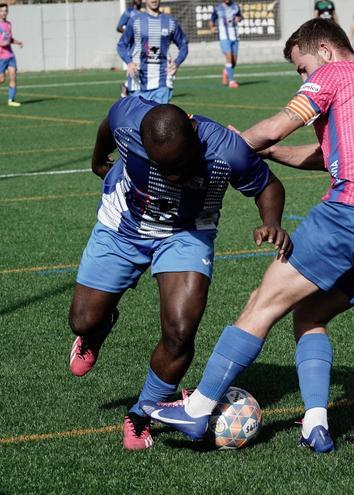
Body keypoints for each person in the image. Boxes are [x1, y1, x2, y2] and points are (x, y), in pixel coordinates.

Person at [144, 18, 354, 454]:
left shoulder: (333, 72)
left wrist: (230, 146)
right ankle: (315, 425)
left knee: (261, 303)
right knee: (308, 316)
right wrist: (269, 153)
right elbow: (330, 154)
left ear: (325, 50)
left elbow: (275, 126)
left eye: (302, 68)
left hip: (352, 215)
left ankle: (197, 408)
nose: (305, 77)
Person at [68, 98, 289, 450]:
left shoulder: (225, 149)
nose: (172, 176)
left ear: (194, 132)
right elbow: (108, 125)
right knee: (82, 321)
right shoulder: (128, 119)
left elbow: (268, 185)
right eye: (163, 167)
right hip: (121, 226)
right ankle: (96, 330)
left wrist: (271, 222)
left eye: (180, 165)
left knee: (180, 331)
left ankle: (141, 415)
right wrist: (97, 159)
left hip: (186, 234)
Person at [117, 0, 188, 103]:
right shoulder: (135, 20)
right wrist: (129, 62)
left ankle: (125, 92)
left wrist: (177, 62)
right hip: (138, 79)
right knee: (139, 118)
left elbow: (183, 44)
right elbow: (121, 45)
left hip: (163, 79)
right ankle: (126, 92)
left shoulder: (170, 22)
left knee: (159, 117)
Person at [210, 0, 243, 88]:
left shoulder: (236, 6)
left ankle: (225, 71)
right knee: (229, 57)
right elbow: (212, 19)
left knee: (234, 61)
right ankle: (231, 81)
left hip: (235, 37)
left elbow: (240, 17)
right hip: (224, 37)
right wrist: (212, 27)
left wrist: (239, 18)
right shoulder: (218, 8)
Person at [116, 0, 144, 98]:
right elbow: (119, 27)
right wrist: (129, 31)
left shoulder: (143, 13)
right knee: (135, 66)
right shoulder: (129, 12)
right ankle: (129, 88)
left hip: (142, 46)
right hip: (132, 47)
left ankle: (127, 86)